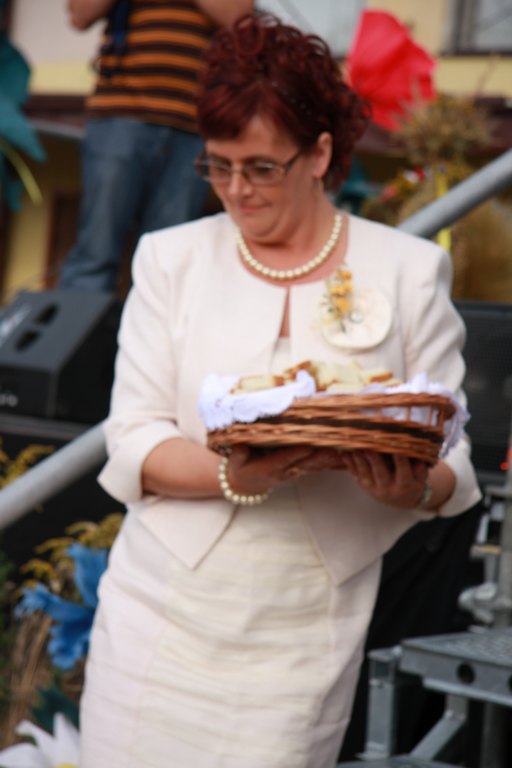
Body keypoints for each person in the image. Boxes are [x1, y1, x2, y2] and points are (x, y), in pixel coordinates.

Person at [80, 13, 481, 767]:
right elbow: (133, 437)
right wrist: (236, 474)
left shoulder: (408, 268)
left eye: (261, 167)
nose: (236, 189)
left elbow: (453, 462)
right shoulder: (170, 259)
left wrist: (409, 488)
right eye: (218, 165)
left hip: (305, 627)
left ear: (320, 153)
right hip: (158, 616)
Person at [59, 0, 253, 293]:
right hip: (120, 112)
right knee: (95, 253)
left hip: (193, 122)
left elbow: (238, 16)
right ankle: (80, 324)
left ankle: (154, 324)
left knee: (169, 260)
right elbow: (79, 15)